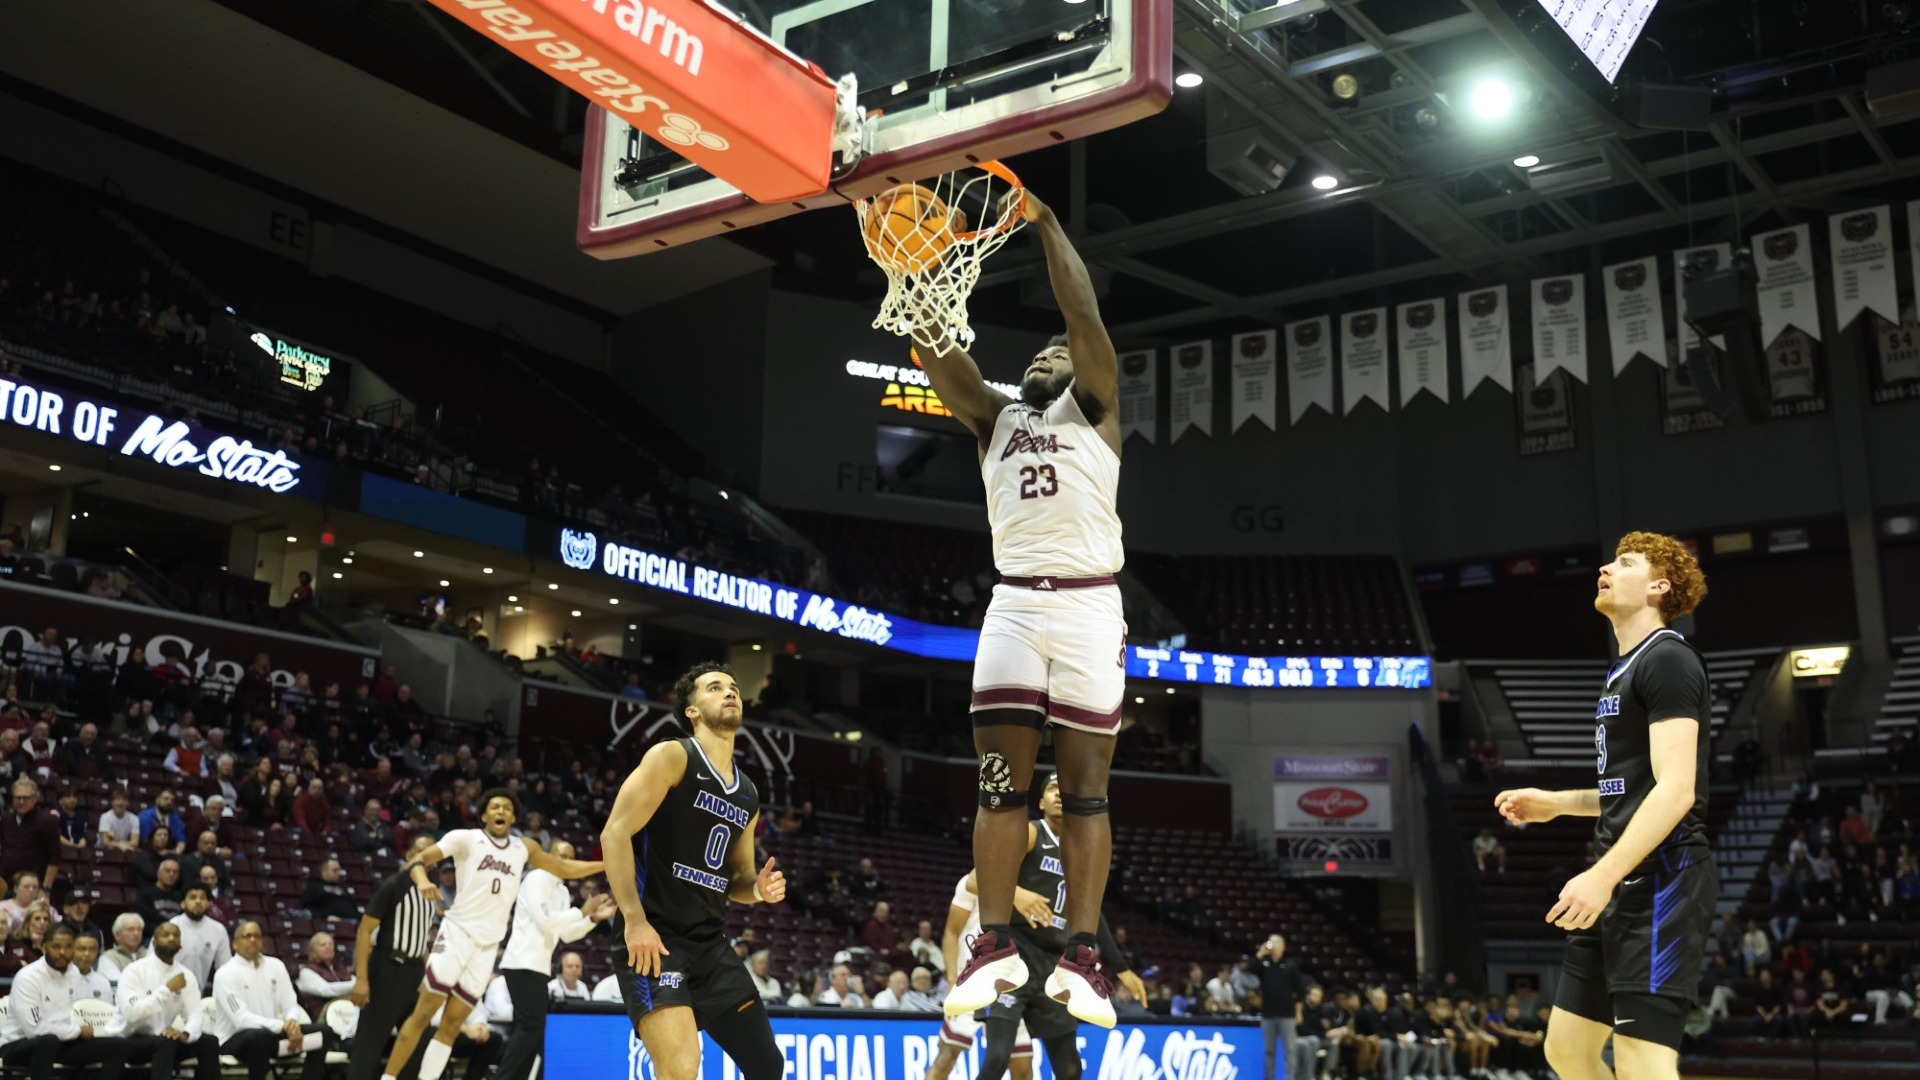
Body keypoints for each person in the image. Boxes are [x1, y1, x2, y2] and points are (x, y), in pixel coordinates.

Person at [926, 190, 1127, 1029]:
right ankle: (993, 942)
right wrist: (919, 278)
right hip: (1012, 606)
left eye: (1060, 351)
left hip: (1087, 609)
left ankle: (1083, 957)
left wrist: (1046, 226)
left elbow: (1080, 312)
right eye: (1039, 351)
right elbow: (940, 359)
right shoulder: (995, 420)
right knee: (1001, 786)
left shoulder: (1099, 408)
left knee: (1082, 793)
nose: (1051, 353)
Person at [1495, 533, 1715, 1080]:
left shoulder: (1667, 659)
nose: (1606, 568)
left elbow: (1676, 790)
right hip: (1622, 881)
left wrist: (1603, 874)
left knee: (1643, 1061)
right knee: (1566, 1050)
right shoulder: (1624, 667)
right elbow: (1631, 791)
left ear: (1659, 586)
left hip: (1663, 879)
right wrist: (1558, 804)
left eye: (1626, 563)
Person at [599, 662, 788, 1080]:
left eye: (734, 687)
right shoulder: (673, 756)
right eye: (716, 687)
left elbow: (737, 878)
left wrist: (757, 890)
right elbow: (614, 834)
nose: (730, 692)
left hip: (709, 943)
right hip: (654, 939)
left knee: (768, 1067)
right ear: (692, 710)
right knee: (682, 1069)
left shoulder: (748, 791)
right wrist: (633, 919)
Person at [377, 790, 602, 1080]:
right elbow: (419, 859)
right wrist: (422, 881)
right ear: (484, 814)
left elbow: (563, 867)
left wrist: (607, 864)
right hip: (457, 934)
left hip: (486, 948)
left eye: (507, 808)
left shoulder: (525, 847)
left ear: (512, 817)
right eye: (495, 806)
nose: (501, 811)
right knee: (423, 1014)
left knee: (452, 1024)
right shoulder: (465, 838)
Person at [967, 776, 1144, 1080]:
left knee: (1070, 1068)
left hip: (1054, 965)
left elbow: (1092, 913)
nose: (1059, 794)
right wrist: (1017, 894)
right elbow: (974, 878)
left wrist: (1121, 967)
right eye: (1051, 789)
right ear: (1040, 802)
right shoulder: (1033, 832)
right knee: (997, 1056)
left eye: (1065, 790)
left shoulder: (1080, 848)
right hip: (1016, 956)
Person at [493, 839, 615, 1080]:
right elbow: (546, 921)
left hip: (537, 966)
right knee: (531, 1028)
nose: (566, 862)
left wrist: (592, 920)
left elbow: (566, 933)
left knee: (530, 1030)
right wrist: (582, 911)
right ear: (548, 856)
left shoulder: (561, 890)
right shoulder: (537, 878)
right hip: (521, 962)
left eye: (570, 857)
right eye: (561, 856)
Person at [347, 837, 438, 1080]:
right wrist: (361, 979)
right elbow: (364, 930)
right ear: (409, 855)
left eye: (430, 851)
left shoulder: (431, 887)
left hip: (415, 973)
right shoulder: (394, 885)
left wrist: (429, 974)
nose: (426, 855)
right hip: (388, 969)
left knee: (418, 1041)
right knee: (369, 1044)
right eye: (420, 850)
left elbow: (420, 938)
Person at [0, 923, 135, 1077]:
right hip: (16, 1045)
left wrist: (74, 1033)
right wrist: (77, 1030)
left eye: (68, 946)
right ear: (44, 948)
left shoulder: (74, 973)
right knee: (47, 1041)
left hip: (60, 1042)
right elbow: (35, 1030)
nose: (62, 952)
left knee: (120, 1046)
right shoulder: (28, 977)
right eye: (56, 947)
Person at [209, 921, 327, 1080]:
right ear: (235, 944)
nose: (252, 940)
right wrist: (283, 1026)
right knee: (261, 1036)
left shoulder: (276, 966)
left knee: (323, 1033)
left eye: (257, 936)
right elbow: (241, 1019)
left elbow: (290, 1002)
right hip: (234, 1041)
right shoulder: (225, 973)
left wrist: (292, 1023)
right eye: (247, 936)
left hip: (274, 1040)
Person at [118, 919, 222, 1080]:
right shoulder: (135, 971)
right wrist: (167, 989)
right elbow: (132, 1014)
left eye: (176, 935)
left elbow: (195, 1014)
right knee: (165, 1042)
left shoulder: (186, 975)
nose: (172, 938)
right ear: (154, 941)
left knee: (208, 1042)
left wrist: (186, 1034)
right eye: (165, 935)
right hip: (129, 1041)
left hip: (164, 1042)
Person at [1255, 933, 1311, 1080]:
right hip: (1268, 1015)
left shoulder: (1290, 966)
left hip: (1287, 1015)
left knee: (1289, 1050)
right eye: (1269, 942)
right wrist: (1261, 953)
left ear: (1282, 946)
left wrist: (1298, 1012)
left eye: (1274, 942)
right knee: (1269, 1051)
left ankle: (1290, 1078)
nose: (1271, 945)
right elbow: (1250, 968)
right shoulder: (1264, 964)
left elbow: (1300, 991)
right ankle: (1269, 1077)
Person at [0, 776, 62, 895]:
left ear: (35, 798)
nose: (21, 801)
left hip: (31, 887)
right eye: (18, 798)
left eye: (26, 798)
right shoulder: (6, 819)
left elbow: (54, 858)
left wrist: (46, 889)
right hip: (4, 885)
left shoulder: (47, 821)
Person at [168, 884, 230, 991]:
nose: (198, 901)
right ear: (183, 904)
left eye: (202, 898)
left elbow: (225, 968)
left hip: (197, 994)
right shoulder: (171, 927)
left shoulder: (218, 930)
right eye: (193, 897)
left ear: (207, 903)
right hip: (169, 992)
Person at [295, 932, 355, 1019]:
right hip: (324, 1015)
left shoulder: (339, 967)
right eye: (323, 945)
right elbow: (326, 990)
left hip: (346, 1010)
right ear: (313, 951)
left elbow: (353, 979)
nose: (328, 947)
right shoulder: (306, 972)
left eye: (330, 944)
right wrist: (356, 985)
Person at [101, 913, 148, 983]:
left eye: (139, 929)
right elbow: (119, 985)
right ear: (117, 935)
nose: (136, 933)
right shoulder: (108, 957)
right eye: (131, 929)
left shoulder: (149, 954)